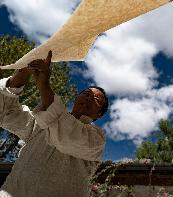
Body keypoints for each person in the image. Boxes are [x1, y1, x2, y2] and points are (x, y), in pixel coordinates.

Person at [0, 51, 108, 197]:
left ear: (99, 114)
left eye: (96, 99)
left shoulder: (96, 141)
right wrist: (21, 75)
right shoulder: (39, 123)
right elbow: (7, 113)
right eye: (86, 93)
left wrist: (44, 84)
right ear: (77, 98)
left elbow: (66, 137)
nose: (89, 98)